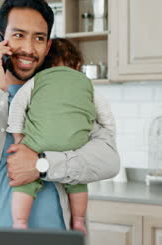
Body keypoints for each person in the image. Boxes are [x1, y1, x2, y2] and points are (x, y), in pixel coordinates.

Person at [0, 0, 120, 229]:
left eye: (39, 38)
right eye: (18, 35)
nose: (28, 48)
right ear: (0, 39)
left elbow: (109, 161)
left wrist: (41, 165)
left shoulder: (70, 102)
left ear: (47, 45)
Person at [7, 38, 115, 233]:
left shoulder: (37, 81)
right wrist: (109, 132)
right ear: (77, 65)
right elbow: (104, 111)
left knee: (24, 185)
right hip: (76, 144)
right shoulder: (86, 84)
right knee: (78, 181)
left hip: (37, 143)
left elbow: (17, 106)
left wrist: (18, 137)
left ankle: (20, 222)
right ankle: (79, 220)